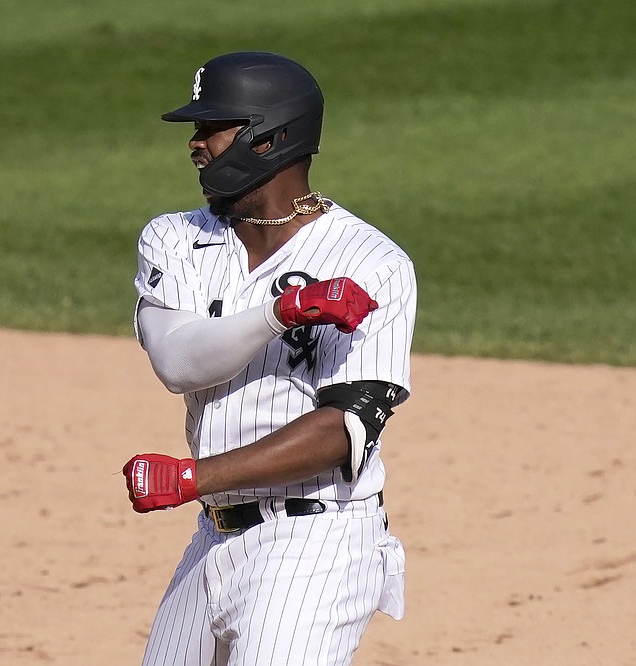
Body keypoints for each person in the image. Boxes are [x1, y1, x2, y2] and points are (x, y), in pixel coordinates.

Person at [121, 51, 417, 666]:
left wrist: (190, 477)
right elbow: (179, 361)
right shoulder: (176, 238)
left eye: (212, 127)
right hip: (213, 533)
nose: (196, 144)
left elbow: (345, 430)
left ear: (271, 137)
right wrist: (281, 313)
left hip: (318, 540)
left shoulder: (371, 262)